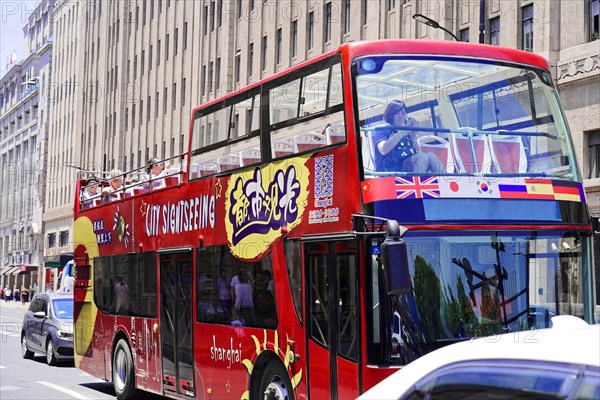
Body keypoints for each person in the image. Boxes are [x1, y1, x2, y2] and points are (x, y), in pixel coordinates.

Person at [373, 100, 443, 173]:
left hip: (408, 165)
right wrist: (402, 132)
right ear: (390, 114)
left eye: (403, 113)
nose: (401, 116)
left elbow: (417, 152)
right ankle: (418, 182)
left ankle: (445, 181)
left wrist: (413, 135)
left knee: (432, 156)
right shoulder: (383, 130)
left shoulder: (407, 133)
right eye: (397, 113)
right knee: (422, 156)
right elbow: (383, 150)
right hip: (392, 168)